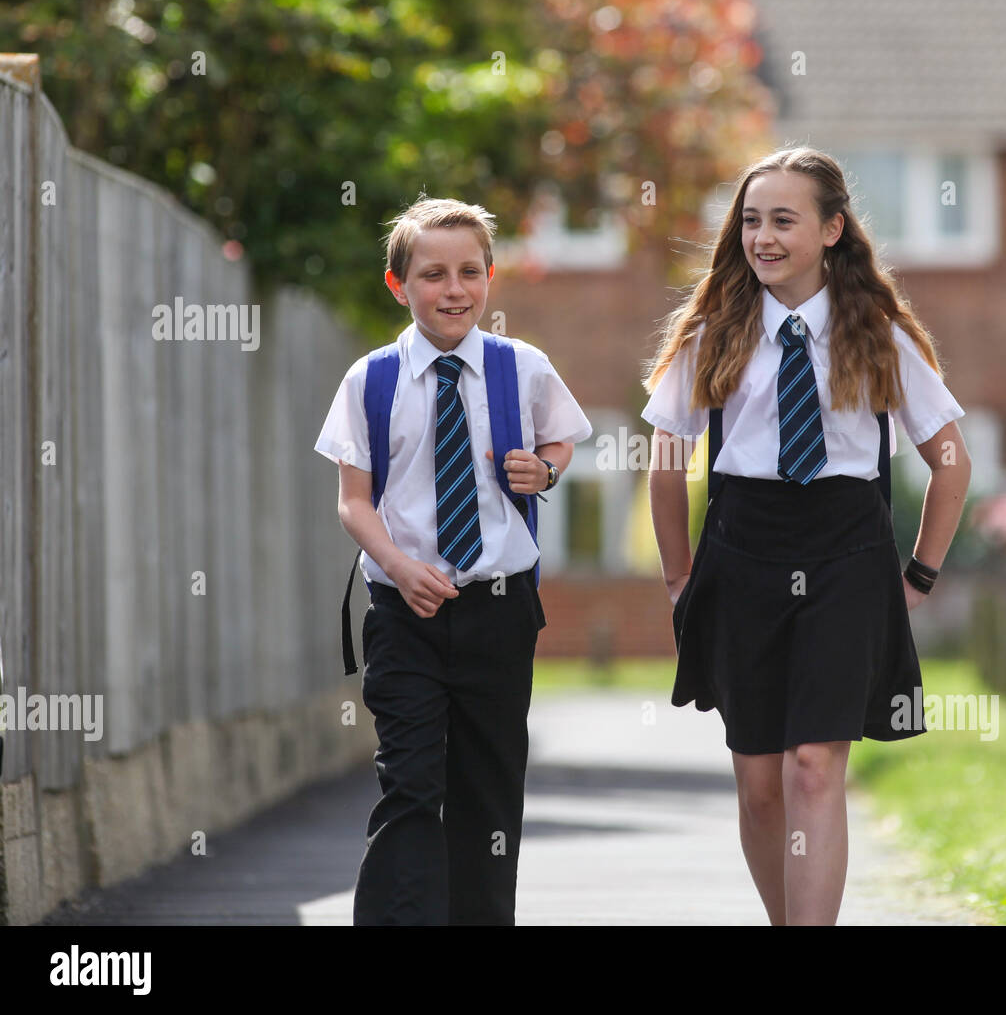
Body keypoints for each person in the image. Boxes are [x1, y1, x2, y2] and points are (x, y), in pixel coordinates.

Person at [641, 146, 972, 926]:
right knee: (759, 783)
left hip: (847, 555)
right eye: (751, 220)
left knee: (816, 767)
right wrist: (680, 583)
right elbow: (663, 468)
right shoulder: (712, 332)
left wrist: (919, 575)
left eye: (783, 220)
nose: (762, 237)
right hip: (740, 554)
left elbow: (951, 465)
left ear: (832, 230)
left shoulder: (879, 335)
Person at [314, 195, 592, 925]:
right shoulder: (370, 380)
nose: (454, 289)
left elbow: (562, 441)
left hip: (499, 611)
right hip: (405, 614)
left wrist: (547, 470)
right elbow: (354, 501)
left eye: (470, 272)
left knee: (488, 791)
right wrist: (401, 569)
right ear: (398, 285)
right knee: (409, 784)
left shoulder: (521, 368)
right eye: (433, 274)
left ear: (491, 278)